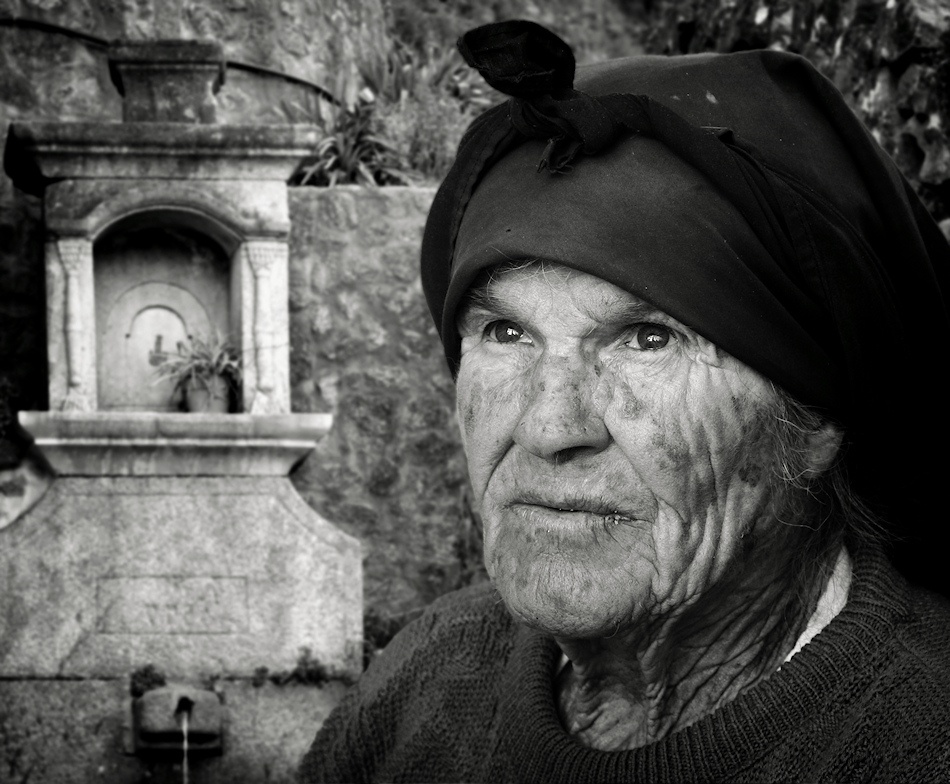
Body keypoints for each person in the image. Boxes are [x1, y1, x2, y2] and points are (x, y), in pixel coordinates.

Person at [298, 20, 950, 783]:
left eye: (648, 338)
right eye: (506, 331)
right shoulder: (425, 680)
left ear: (815, 423)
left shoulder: (922, 741)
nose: (549, 427)